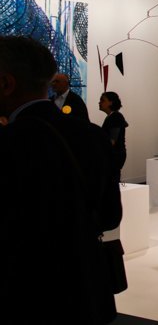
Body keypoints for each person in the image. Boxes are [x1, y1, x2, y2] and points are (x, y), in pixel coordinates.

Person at [0, 36, 122, 324]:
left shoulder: (9, 144)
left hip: (24, 294)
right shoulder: (93, 137)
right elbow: (110, 216)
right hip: (85, 288)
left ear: (6, 83)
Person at [99, 91, 128, 183]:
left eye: (102, 100)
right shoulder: (112, 117)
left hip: (115, 156)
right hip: (113, 155)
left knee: (112, 181)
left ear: (111, 102)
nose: (99, 102)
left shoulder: (116, 117)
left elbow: (112, 140)